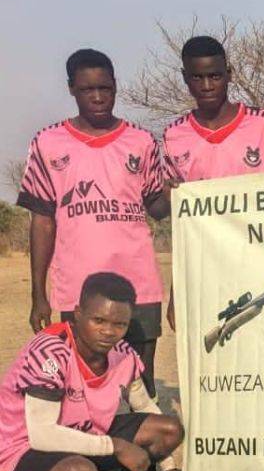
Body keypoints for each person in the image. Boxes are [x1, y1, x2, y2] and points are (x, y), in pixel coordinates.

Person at [19, 49, 167, 402]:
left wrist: (192, 191)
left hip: (139, 284)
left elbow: (159, 207)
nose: (98, 97)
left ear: (116, 86)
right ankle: (98, 455)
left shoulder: (142, 142)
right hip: (79, 288)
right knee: (85, 382)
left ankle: (144, 454)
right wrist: (38, 293)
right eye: (88, 89)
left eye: (105, 87)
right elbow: (42, 221)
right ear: (72, 89)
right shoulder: (48, 143)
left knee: (142, 379)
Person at [1, 273, 184, 471]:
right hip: (22, 449)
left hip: (82, 436)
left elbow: (145, 406)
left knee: (169, 430)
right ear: (78, 313)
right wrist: (118, 446)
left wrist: (170, 468)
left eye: (119, 324)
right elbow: (42, 434)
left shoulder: (122, 353)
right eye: (99, 321)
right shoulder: (51, 351)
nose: (108, 332)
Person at [161, 35, 264, 331]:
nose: (207, 86)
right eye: (197, 77)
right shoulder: (173, 136)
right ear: (185, 78)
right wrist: (175, 294)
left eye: (215, 76)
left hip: (261, 268)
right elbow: (183, 226)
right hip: (205, 274)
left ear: (229, 74)